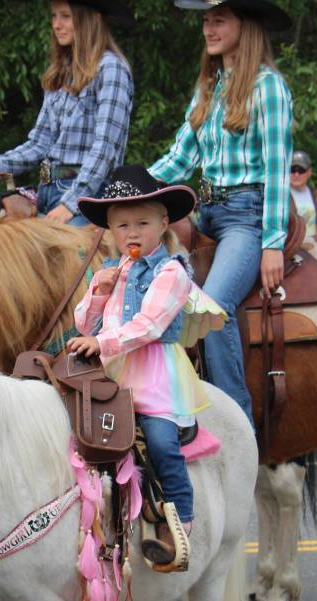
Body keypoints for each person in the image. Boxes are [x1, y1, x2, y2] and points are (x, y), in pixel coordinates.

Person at [69, 164, 226, 568]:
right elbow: (84, 323)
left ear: (162, 224)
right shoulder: (112, 270)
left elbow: (149, 326)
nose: (132, 233)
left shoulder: (171, 271)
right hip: (113, 371)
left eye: (142, 222)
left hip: (153, 372)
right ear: (110, 230)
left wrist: (100, 341)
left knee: (159, 440)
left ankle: (179, 521)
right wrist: (99, 293)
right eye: (122, 226)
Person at [147, 0, 293, 422]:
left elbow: (278, 169)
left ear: (244, 26)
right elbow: (179, 160)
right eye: (206, 20)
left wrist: (272, 244)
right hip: (203, 213)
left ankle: (236, 423)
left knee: (213, 310)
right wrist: (130, 190)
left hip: (245, 215)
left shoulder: (268, 87)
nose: (208, 28)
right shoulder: (208, 88)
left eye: (219, 20)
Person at [0, 0, 134, 226]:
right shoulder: (61, 73)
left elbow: (104, 148)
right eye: (54, 16)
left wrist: (71, 203)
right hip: (47, 189)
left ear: (93, 19)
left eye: (66, 16)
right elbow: (38, 144)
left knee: (73, 258)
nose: (56, 25)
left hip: (90, 195)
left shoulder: (111, 69)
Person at [288, 150, 317, 237]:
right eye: (292, 170)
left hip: (316, 245)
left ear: (309, 173)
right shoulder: (279, 197)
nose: (296, 174)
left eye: (301, 170)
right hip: (291, 247)